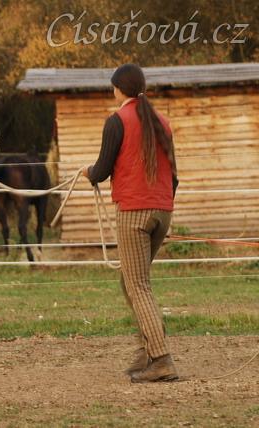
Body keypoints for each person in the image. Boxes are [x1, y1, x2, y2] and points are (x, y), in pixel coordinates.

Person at [82, 63, 179, 383]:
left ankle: (161, 359)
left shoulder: (117, 120)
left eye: (113, 87)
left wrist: (88, 172)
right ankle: (147, 350)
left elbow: (101, 170)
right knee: (130, 281)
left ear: (119, 88)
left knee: (138, 285)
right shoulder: (162, 121)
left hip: (134, 212)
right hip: (162, 210)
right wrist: (162, 205)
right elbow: (174, 176)